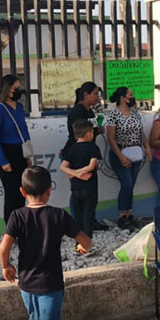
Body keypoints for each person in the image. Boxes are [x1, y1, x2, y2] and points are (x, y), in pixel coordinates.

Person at [0, 166, 92, 320]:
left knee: (34, 319)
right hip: (51, 285)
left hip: (27, 283)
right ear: (50, 190)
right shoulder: (59, 215)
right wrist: (81, 247)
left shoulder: (17, 216)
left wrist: (6, 266)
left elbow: (4, 248)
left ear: (22, 191)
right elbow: (86, 242)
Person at [105, 87, 151, 230]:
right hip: (121, 151)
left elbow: (140, 132)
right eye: (130, 95)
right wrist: (121, 156)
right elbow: (111, 139)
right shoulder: (114, 115)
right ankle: (122, 215)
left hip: (135, 152)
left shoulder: (135, 114)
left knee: (131, 185)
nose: (133, 98)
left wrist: (147, 147)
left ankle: (129, 213)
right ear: (123, 98)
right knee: (126, 183)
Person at [64, 81, 107, 230]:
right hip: (77, 154)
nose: (97, 97)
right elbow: (78, 133)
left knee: (90, 191)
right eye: (95, 94)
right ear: (86, 94)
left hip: (88, 152)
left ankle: (89, 221)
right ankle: (77, 223)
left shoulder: (90, 111)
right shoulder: (77, 112)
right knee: (77, 191)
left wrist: (98, 130)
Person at [0, 74, 32, 223]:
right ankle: (10, 228)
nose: (18, 91)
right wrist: (3, 160)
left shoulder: (19, 107)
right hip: (6, 153)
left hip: (20, 152)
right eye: (15, 88)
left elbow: (23, 130)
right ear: (7, 89)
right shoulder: (0, 109)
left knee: (22, 192)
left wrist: (27, 155)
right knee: (11, 193)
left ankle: (20, 224)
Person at [60, 120, 102, 237]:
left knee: (77, 216)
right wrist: (78, 173)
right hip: (90, 188)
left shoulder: (71, 149)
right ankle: (87, 242)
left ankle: (78, 242)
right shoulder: (93, 148)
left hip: (75, 188)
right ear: (88, 134)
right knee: (88, 215)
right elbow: (91, 166)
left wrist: (74, 173)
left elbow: (63, 167)